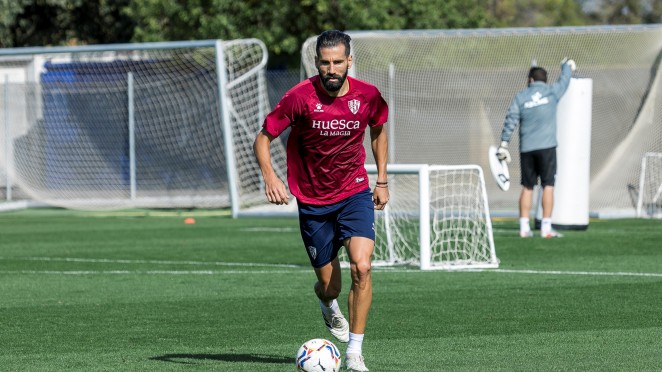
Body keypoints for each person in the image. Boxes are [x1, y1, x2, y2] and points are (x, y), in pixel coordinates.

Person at [253, 30, 389, 372]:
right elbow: (264, 137)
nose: (331, 69)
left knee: (362, 266)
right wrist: (271, 177)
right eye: (325, 63)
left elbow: (378, 130)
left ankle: (356, 352)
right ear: (317, 63)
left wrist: (382, 179)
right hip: (313, 201)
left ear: (349, 61)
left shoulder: (369, 96)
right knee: (331, 285)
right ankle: (327, 304)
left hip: (354, 191)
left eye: (338, 62)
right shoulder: (299, 97)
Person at [497, 58, 575, 238]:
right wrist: (566, 65)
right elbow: (565, 79)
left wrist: (503, 144)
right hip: (547, 148)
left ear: (531, 80)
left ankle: (524, 228)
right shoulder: (552, 92)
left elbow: (511, 120)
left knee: (527, 186)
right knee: (548, 185)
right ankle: (546, 228)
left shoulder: (521, 97)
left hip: (527, 149)